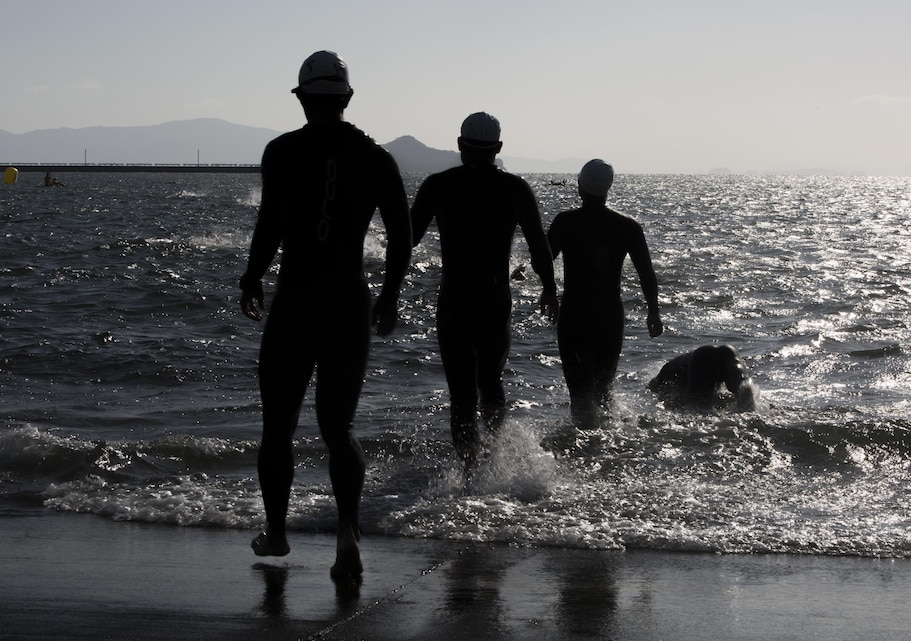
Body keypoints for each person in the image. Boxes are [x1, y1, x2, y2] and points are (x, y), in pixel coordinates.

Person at [238, 50, 412, 581]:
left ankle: (277, 533)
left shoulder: (282, 151)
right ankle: (347, 533)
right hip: (347, 302)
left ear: (302, 99)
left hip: (296, 300)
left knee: (278, 425)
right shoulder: (378, 159)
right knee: (340, 426)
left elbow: (270, 224)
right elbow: (402, 238)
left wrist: (252, 276)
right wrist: (389, 296)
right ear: (348, 99)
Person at [410, 112, 560, 470]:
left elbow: (409, 239)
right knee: (491, 383)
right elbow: (540, 247)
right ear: (499, 148)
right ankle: (494, 464)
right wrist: (550, 290)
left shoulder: (438, 185)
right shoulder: (516, 189)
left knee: (462, 395)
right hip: (495, 300)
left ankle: (469, 471)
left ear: (461, 145)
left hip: (455, 300)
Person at [547, 159, 663, 427]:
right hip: (609, 316)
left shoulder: (565, 222)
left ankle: (584, 454)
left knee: (580, 395)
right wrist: (653, 312)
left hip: (575, 314)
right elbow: (646, 272)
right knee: (603, 391)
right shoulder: (628, 226)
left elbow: (543, 260)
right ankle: (609, 447)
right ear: (607, 189)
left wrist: (548, 290)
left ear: (580, 187)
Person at [648, 344, 757, 411]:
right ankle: (744, 385)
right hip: (729, 351)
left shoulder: (665, 374)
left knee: (700, 409)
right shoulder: (670, 368)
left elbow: (654, 388)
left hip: (700, 359)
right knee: (740, 383)